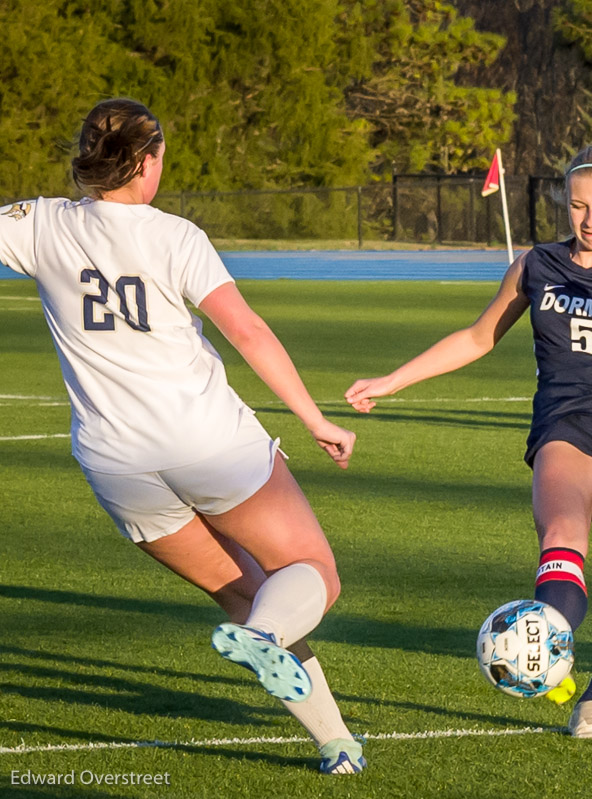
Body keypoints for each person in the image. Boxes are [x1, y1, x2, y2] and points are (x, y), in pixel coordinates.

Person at [0, 98, 365, 773]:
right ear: (145, 162)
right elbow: (247, 330)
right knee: (311, 574)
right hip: (204, 441)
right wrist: (315, 420)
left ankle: (336, 742)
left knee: (246, 592)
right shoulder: (175, 236)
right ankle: (263, 640)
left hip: (116, 465)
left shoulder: (40, 224)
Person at [346, 144, 592, 738]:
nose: (590, 220)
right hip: (568, 421)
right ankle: (543, 657)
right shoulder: (536, 264)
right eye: (578, 207)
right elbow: (477, 337)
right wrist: (393, 380)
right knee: (563, 538)